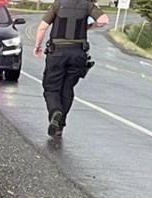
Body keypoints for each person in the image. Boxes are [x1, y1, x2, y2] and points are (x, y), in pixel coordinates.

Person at [32, 0, 109, 136]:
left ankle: (55, 111)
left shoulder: (58, 4)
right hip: (78, 53)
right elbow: (104, 20)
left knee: (51, 88)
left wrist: (37, 46)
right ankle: (60, 126)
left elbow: (42, 27)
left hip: (57, 53)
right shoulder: (87, 5)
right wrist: (90, 26)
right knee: (67, 88)